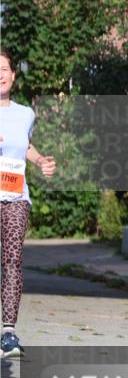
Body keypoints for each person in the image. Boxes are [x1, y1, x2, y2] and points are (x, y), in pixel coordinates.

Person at [0, 48, 57, 359]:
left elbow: (24, 145)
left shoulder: (26, 114)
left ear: (13, 75)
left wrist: (40, 161)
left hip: (16, 196)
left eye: (4, 68)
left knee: (12, 260)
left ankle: (8, 333)